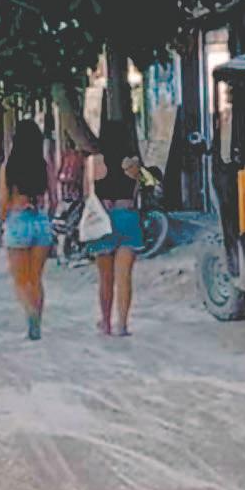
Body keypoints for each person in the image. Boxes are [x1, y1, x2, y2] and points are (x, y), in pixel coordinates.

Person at [84, 118, 145, 336]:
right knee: (124, 277)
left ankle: (106, 322)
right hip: (127, 218)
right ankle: (123, 325)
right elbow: (139, 190)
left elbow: (87, 195)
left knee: (105, 279)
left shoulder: (94, 162)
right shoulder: (133, 164)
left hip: (103, 221)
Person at [0, 120, 53, 341]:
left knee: (20, 280)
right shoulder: (44, 165)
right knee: (36, 278)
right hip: (40, 220)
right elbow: (54, 199)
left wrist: (0, 223)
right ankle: (38, 317)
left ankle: (30, 313)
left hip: (18, 220)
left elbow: (3, 201)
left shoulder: (9, 167)